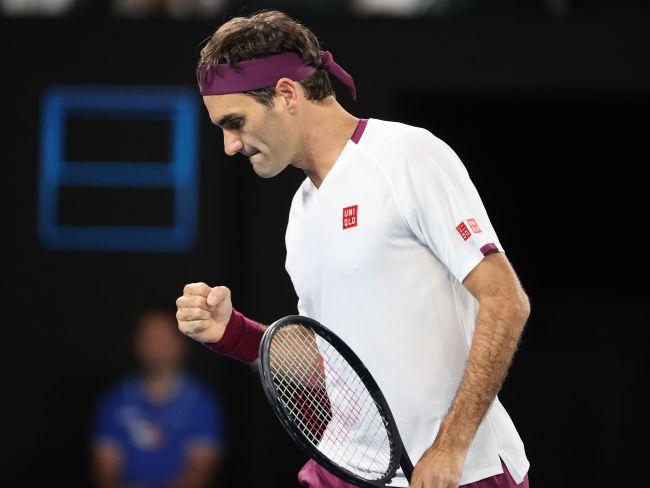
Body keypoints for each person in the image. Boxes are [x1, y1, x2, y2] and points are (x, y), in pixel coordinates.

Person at [176, 10, 530, 488]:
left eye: (235, 123)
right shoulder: (300, 215)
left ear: (285, 94)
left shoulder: (406, 156)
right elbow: (331, 366)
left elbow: (505, 301)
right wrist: (232, 333)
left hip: (465, 475)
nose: (229, 146)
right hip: (350, 472)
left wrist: (451, 446)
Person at [92, 310, 224, 488]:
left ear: (182, 344)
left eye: (164, 339)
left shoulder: (201, 403)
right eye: (150, 339)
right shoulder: (115, 400)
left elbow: (200, 472)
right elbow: (105, 472)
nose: (157, 347)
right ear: (136, 344)